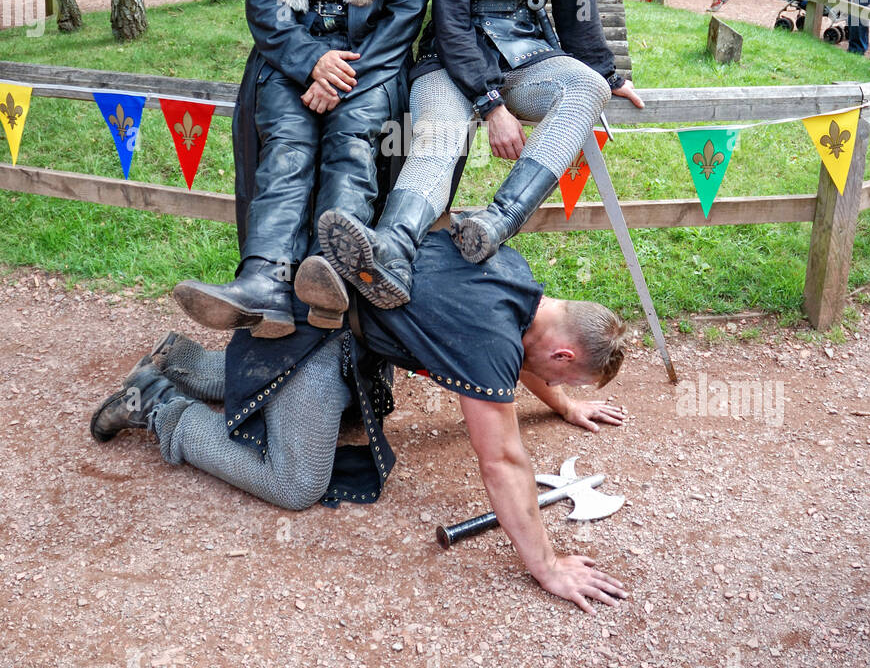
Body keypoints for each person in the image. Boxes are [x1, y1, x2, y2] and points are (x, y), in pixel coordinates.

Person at [91, 231, 630, 613]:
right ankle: (160, 405)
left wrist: (565, 408)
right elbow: (503, 460)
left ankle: (180, 360)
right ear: (562, 354)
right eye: (565, 381)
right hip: (318, 336)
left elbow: (517, 360)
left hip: (316, 307)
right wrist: (548, 565)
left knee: (305, 401)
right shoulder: (489, 340)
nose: (556, 386)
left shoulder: (512, 273)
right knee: (295, 483)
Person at [314, 0, 643, 313]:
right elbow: (451, 23)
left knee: (587, 87)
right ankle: (391, 251)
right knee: (438, 142)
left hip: (529, 51)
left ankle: (494, 223)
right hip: (450, 60)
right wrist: (491, 106)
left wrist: (606, 70)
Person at [172, 0, 434, 338]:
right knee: (287, 147)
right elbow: (262, 6)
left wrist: (342, 75)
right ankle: (264, 284)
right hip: (289, 60)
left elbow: (406, 16)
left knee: (353, 147)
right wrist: (312, 62)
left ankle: (331, 278)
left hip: (370, 67)